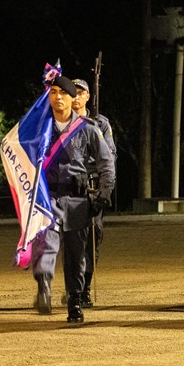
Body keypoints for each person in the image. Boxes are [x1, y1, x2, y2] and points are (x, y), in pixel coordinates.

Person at [30, 75, 115, 324]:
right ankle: (44, 283)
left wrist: (103, 194)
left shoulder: (88, 128)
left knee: (76, 254)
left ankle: (75, 300)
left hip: (78, 200)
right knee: (46, 243)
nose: (58, 97)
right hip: (48, 198)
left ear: (72, 98)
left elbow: (106, 164)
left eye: (63, 93)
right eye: (53, 92)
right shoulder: (38, 129)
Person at [71, 78, 117, 308]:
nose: (76, 96)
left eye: (81, 92)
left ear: (88, 96)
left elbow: (110, 156)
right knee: (70, 240)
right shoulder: (60, 123)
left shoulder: (100, 123)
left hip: (93, 185)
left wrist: (104, 190)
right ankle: (72, 289)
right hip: (69, 187)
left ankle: (84, 288)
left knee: (92, 238)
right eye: (73, 92)